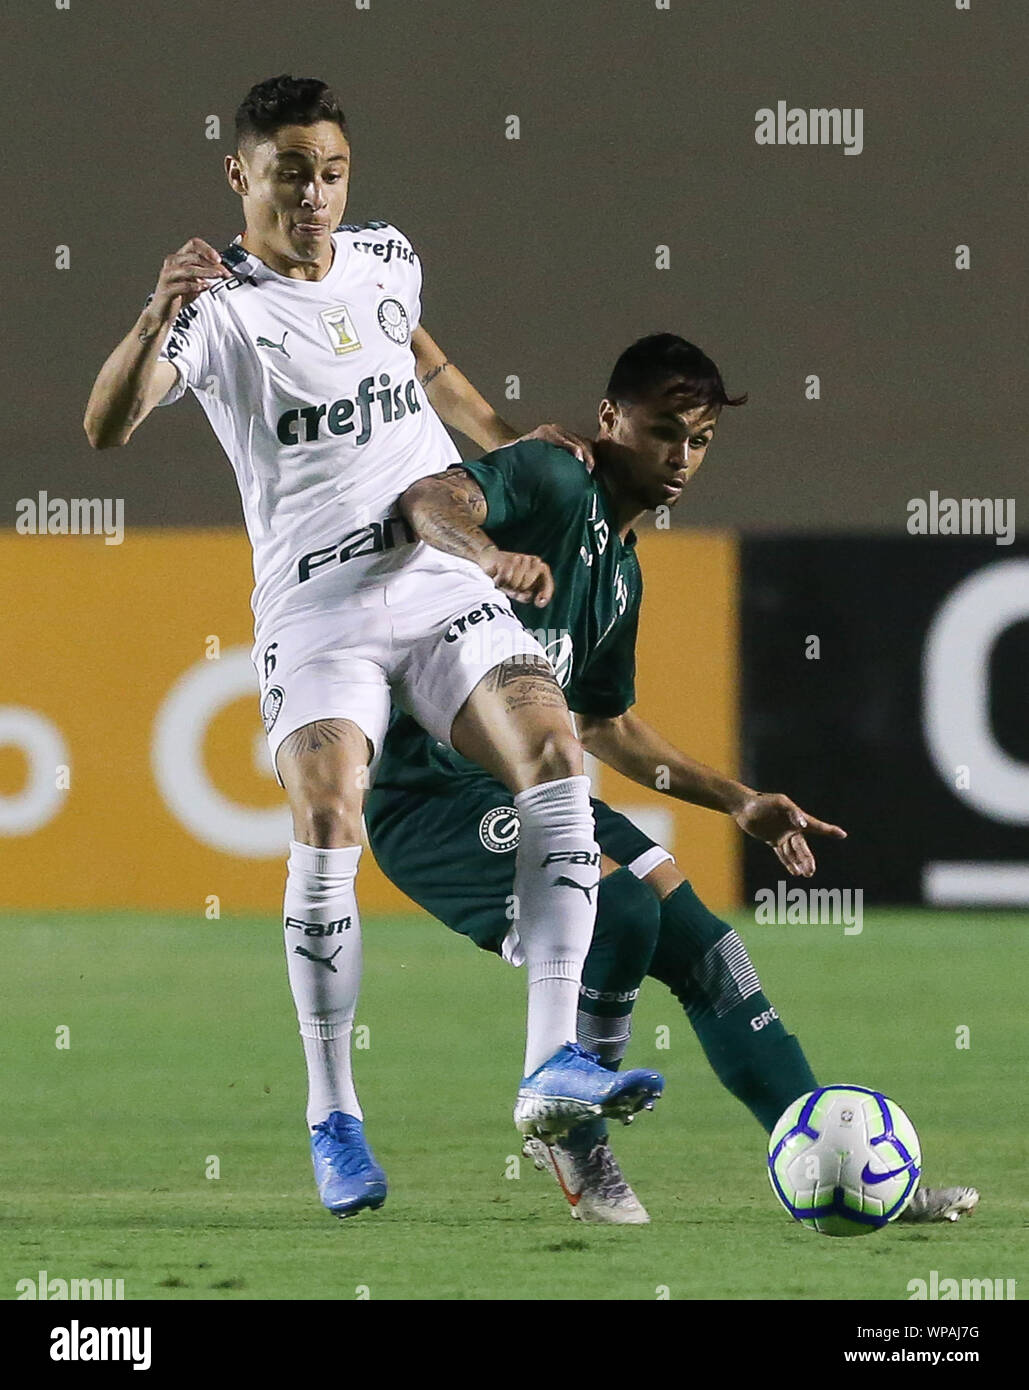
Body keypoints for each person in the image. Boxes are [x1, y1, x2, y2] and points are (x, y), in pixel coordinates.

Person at [83, 74, 663, 1221]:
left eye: (332, 171)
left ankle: (552, 1061)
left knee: (553, 753)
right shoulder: (219, 308)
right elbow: (107, 426)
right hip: (319, 603)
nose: (314, 194)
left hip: (435, 574)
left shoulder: (385, 259)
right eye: (290, 170)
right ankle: (333, 1113)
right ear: (239, 175)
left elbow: (424, 368)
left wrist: (509, 450)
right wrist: (153, 314)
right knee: (331, 813)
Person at [366, 333, 979, 1226]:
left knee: (706, 951)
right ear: (609, 420)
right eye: (663, 433)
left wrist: (738, 800)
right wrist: (485, 554)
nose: (680, 459)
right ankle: (567, 1123)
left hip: (534, 787)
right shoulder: (553, 480)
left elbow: (605, 727)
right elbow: (430, 496)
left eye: (697, 442)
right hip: (432, 797)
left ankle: (835, 1162)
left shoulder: (618, 569)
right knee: (620, 911)